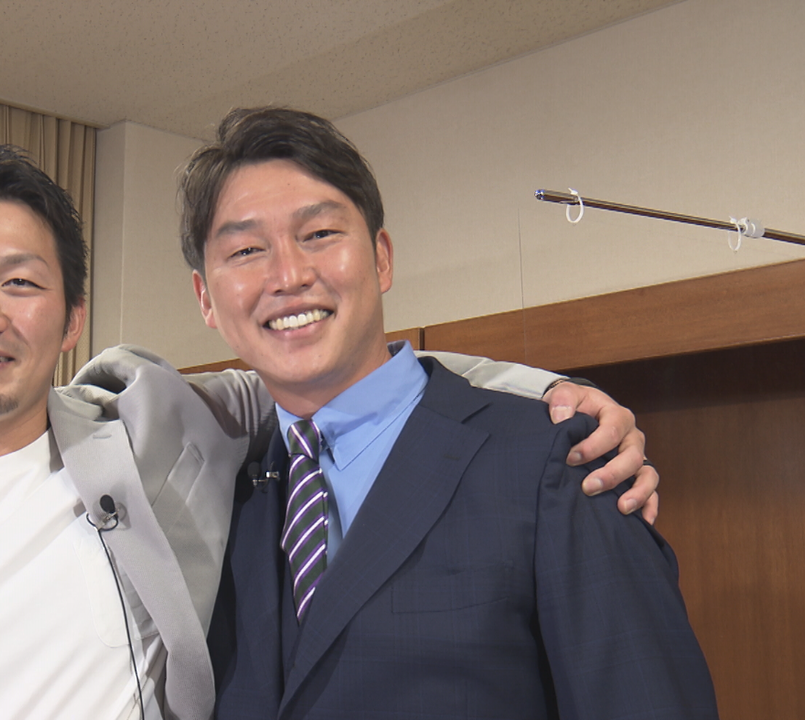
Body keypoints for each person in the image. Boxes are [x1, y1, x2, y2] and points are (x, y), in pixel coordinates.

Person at [0, 136, 657, 718]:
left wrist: (560, 394)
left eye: (21, 282)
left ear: (72, 320)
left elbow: (341, 375)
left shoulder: (154, 430)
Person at [180, 108, 719, 718]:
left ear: (382, 258)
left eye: (320, 234)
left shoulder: (558, 460)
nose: (289, 275)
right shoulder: (217, 500)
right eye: (247, 249)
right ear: (206, 299)